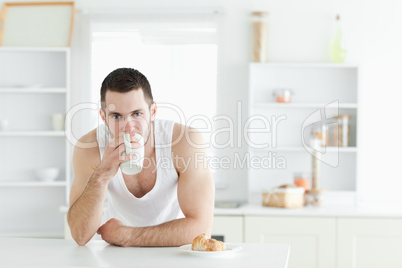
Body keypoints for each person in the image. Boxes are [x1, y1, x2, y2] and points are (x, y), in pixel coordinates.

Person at [67, 68, 215, 247]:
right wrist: (101, 175)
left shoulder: (185, 142)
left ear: (153, 111)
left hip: (172, 250)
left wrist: (126, 236)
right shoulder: (89, 148)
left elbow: (201, 229)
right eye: (116, 116)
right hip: (116, 252)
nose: (128, 128)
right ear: (103, 117)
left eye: (137, 114)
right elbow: (79, 235)